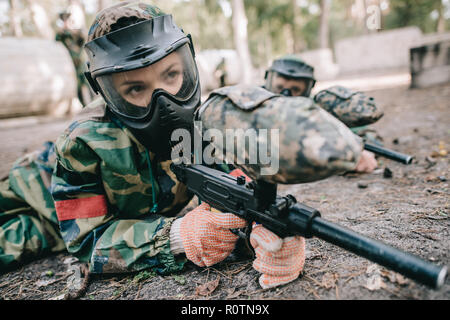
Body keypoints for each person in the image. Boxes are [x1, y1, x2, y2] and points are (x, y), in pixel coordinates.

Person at [0, 2, 364, 290]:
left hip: (62, 226)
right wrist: (175, 237)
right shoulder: (83, 142)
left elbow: (238, 184)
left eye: (171, 75)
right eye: (135, 89)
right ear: (106, 93)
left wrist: (269, 234)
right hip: (34, 192)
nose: (164, 101)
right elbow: (86, 240)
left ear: (189, 64)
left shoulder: (206, 125)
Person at [264, 55, 380, 173]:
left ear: (307, 90)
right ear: (268, 81)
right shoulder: (252, 104)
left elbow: (366, 134)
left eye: (295, 90)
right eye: (279, 87)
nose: (286, 95)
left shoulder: (314, 110)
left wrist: (357, 151)